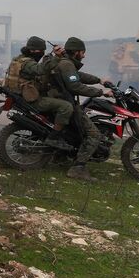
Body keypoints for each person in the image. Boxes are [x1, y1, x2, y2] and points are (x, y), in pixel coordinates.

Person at [51, 37, 113, 182]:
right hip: (65, 102)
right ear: (77, 52)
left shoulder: (66, 63)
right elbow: (75, 86)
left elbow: (78, 76)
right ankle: (78, 168)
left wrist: (99, 80)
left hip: (60, 100)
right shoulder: (66, 64)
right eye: (83, 52)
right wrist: (101, 92)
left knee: (73, 131)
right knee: (94, 134)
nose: (84, 56)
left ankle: (59, 157)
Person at [2, 36, 73, 151]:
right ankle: (53, 138)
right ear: (33, 50)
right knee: (66, 106)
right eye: (41, 50)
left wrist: (51, 57)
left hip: (19, 96)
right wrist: (56, 57)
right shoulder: (27, 63)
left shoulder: (18, 59)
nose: (42, 53)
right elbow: (40, 70)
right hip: (29, 99)